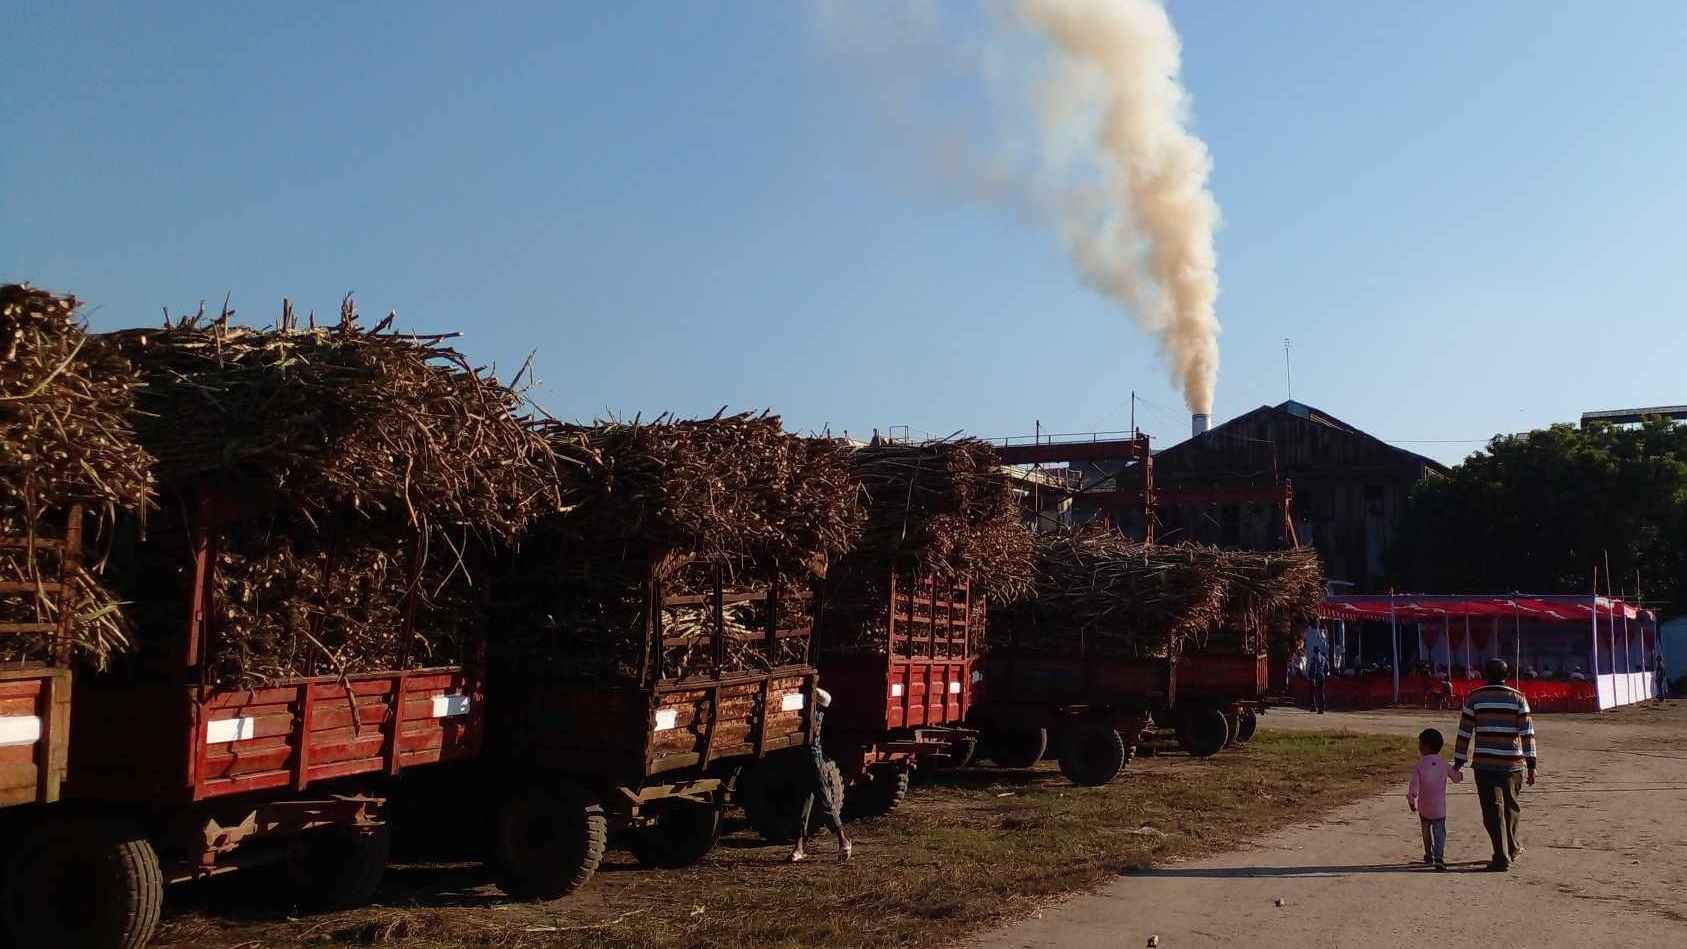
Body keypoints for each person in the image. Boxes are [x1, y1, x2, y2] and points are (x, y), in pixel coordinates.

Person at [1452, 658, 1537, 871]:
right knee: (1511, 808)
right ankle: (1512, 847)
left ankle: (1501, 855)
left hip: (1485, 763)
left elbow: (1465, 732)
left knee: (1492, 810)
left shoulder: (1475, 698)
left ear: (1484, 675)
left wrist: (1459, 761)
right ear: (1506, 675)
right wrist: (1531, 764)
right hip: (1512, 764)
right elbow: (1527, 734)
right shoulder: (1518, 698)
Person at [788, 686, 851, 863]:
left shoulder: (816, 715)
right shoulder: (813, 711)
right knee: (802, 805)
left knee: (825, 801)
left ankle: (843, 840)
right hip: (804, 761)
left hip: (813, 761)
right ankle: (799, 847)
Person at [1407, 727, 1462, 871]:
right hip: (1439, 808)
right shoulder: (1444, 764)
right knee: (1440, 833)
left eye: (1420, 744)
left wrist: (1412, 801)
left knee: (1426, 832)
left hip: (1424, 808)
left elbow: (1414, 787)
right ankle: (1439, 857)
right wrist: (1459, 774)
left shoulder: (1419, 766)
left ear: (1424, 746)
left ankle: (1428, 854)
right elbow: (1456, 778)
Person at [1308, 648, 1329, 714]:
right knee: (1321, 693)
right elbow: (1327, 668)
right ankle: (1322, 708)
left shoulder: (1314, 658)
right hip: (1322, 676)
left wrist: (1311, 677)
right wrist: (1324, 675)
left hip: (1316, 676)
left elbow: (1313, 668)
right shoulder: (1323, 658)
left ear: (1314, 651)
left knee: (1312, 692)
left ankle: (1314, 707)